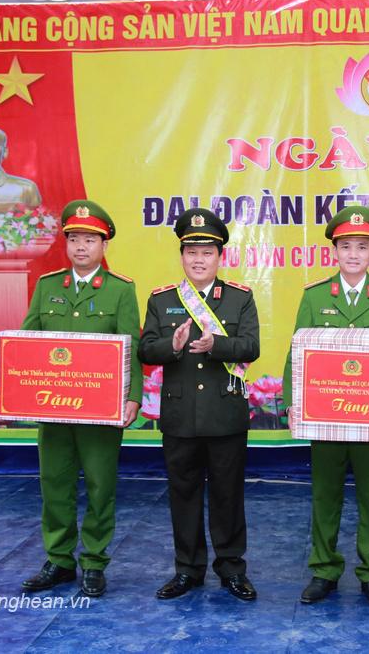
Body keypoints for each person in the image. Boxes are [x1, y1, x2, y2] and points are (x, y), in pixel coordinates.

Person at [282, 206, 369, 609]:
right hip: (326, 418)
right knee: (324, 497)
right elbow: (297, 352)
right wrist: (294, 402)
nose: (353, 254)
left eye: (361, 247)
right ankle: (324, 570)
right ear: (335, 251)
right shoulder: (314, 297)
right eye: (346, 246)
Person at [19, 199, 142, 598]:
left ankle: (93, 561)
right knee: (54, 484)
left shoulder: (121, 291)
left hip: (101, 411)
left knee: (100, 486)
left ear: (104, 245)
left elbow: (132, 347)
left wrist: (132, 397)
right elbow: (27, 343)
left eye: (90, 239)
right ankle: (58, 560)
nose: (81, 246)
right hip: (53, 408)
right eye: (74, 238)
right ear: (66, 243)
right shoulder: (47, 286)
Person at [138, 208, 260, 601]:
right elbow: (145, 348)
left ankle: (231, 568)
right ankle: (187, 570)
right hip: (180, 415)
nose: (198, 259)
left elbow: (251, 347)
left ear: (219, 256)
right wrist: (171, 347)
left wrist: (217, 345)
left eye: (206, 252)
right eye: (191, 251)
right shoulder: (162, 300)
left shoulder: (239, 297)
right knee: (183, 494)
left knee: (228, 495)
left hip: (225, 414)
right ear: (181, 255)